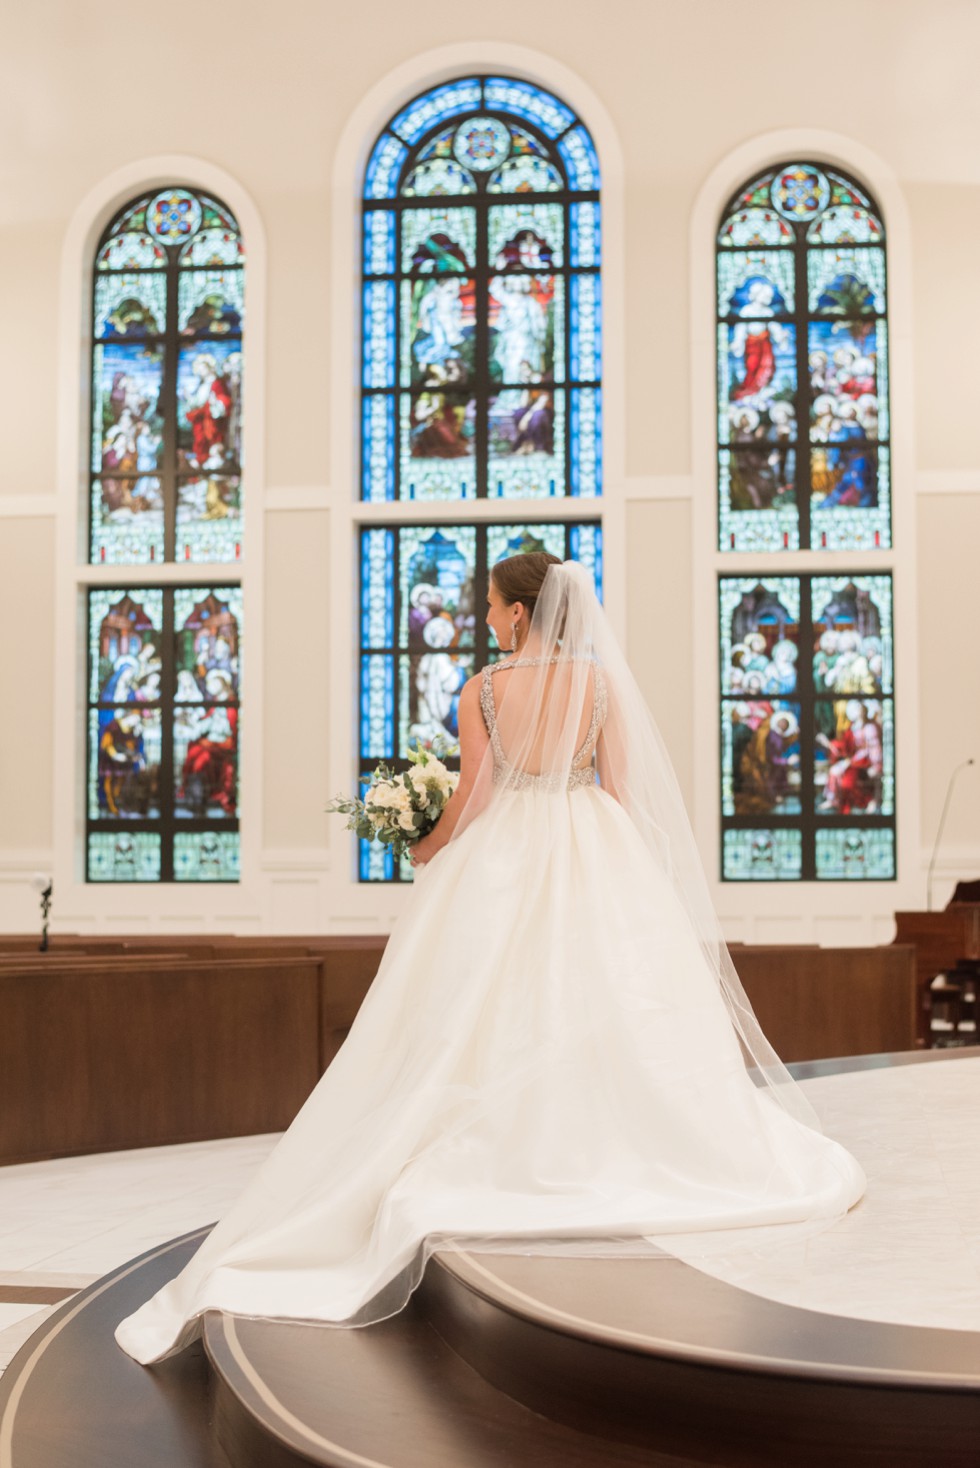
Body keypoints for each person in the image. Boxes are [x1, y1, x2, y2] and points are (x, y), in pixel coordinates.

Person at [115, 554, 864, 1365]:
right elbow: (618, 792)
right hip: (595, 847)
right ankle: (618, 1143)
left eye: (490, 606)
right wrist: (624, 874)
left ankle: (513, 1147)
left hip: (506, 854)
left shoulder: (482, 688)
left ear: (516, 614)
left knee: (478, 1004)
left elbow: (477, 796)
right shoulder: (601, 683)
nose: (484, 618)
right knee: (611, 997)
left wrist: (428, 845)